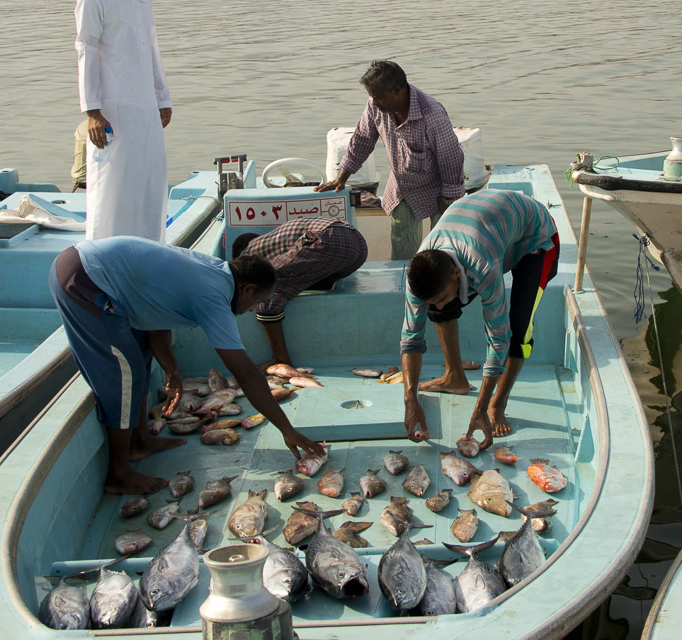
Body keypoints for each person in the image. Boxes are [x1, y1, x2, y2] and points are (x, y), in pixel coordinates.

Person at [48, 237, 325, 494]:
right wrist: (286, 429)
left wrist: (172, 369)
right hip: (86, 279)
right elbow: (246, 373)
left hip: (96, 271)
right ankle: (118, 474)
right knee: (124, 374)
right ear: (248, 289)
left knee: (140, 356)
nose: (253, 309)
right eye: (257, 302)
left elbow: (156, 320)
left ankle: (141, 441)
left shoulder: (216, 271)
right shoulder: (214, 297)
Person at [399, 189, 559, 449]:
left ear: (455, 273)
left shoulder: (482, 266)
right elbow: (410, 339)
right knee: (439, 310)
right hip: (489, 230)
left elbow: (498, 341)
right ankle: (455, 377)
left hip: (536, 239)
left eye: (441, 295)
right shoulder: (419, 273)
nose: (437, 303)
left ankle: (498, 403)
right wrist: (410, 399)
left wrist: (481, 406)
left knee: (518, 328)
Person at [75, 0, 172, 241]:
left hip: (146, 104)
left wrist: (162, 97)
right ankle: (107, 256)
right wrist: (92, 111)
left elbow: (150, 43)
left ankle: (148, 251)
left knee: (149, 182)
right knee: (115, 186)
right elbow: (85, 52)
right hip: (114, 108)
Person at [316, 61, 465, 259]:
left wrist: (449, 199)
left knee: (442, 245)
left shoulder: (432, 115)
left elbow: (451, 158)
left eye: (378, 97)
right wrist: (341, 178)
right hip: (402, 184)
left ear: (396, 91)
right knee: (402, 242)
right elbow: (362, 139)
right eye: (371, 97)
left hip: (439, 186)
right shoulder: (374, 107)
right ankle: (404, 282)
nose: (374, 102)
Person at [230, 219, 368, 369]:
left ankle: (280, 358)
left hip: (328, 238)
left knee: (267, 293)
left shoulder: (248, 253)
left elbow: (248, 280)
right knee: (307, 283)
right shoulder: (277, 239)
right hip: (358, 245)